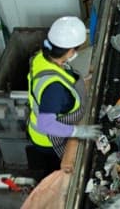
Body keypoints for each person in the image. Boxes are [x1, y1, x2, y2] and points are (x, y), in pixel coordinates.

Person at [26, 16, 101, 171]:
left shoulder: (41, 57)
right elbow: (46, 124)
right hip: (48, 140)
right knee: (54, 170)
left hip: (41, 125)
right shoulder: (54, 88)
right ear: (70, 51)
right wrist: (78, 131)